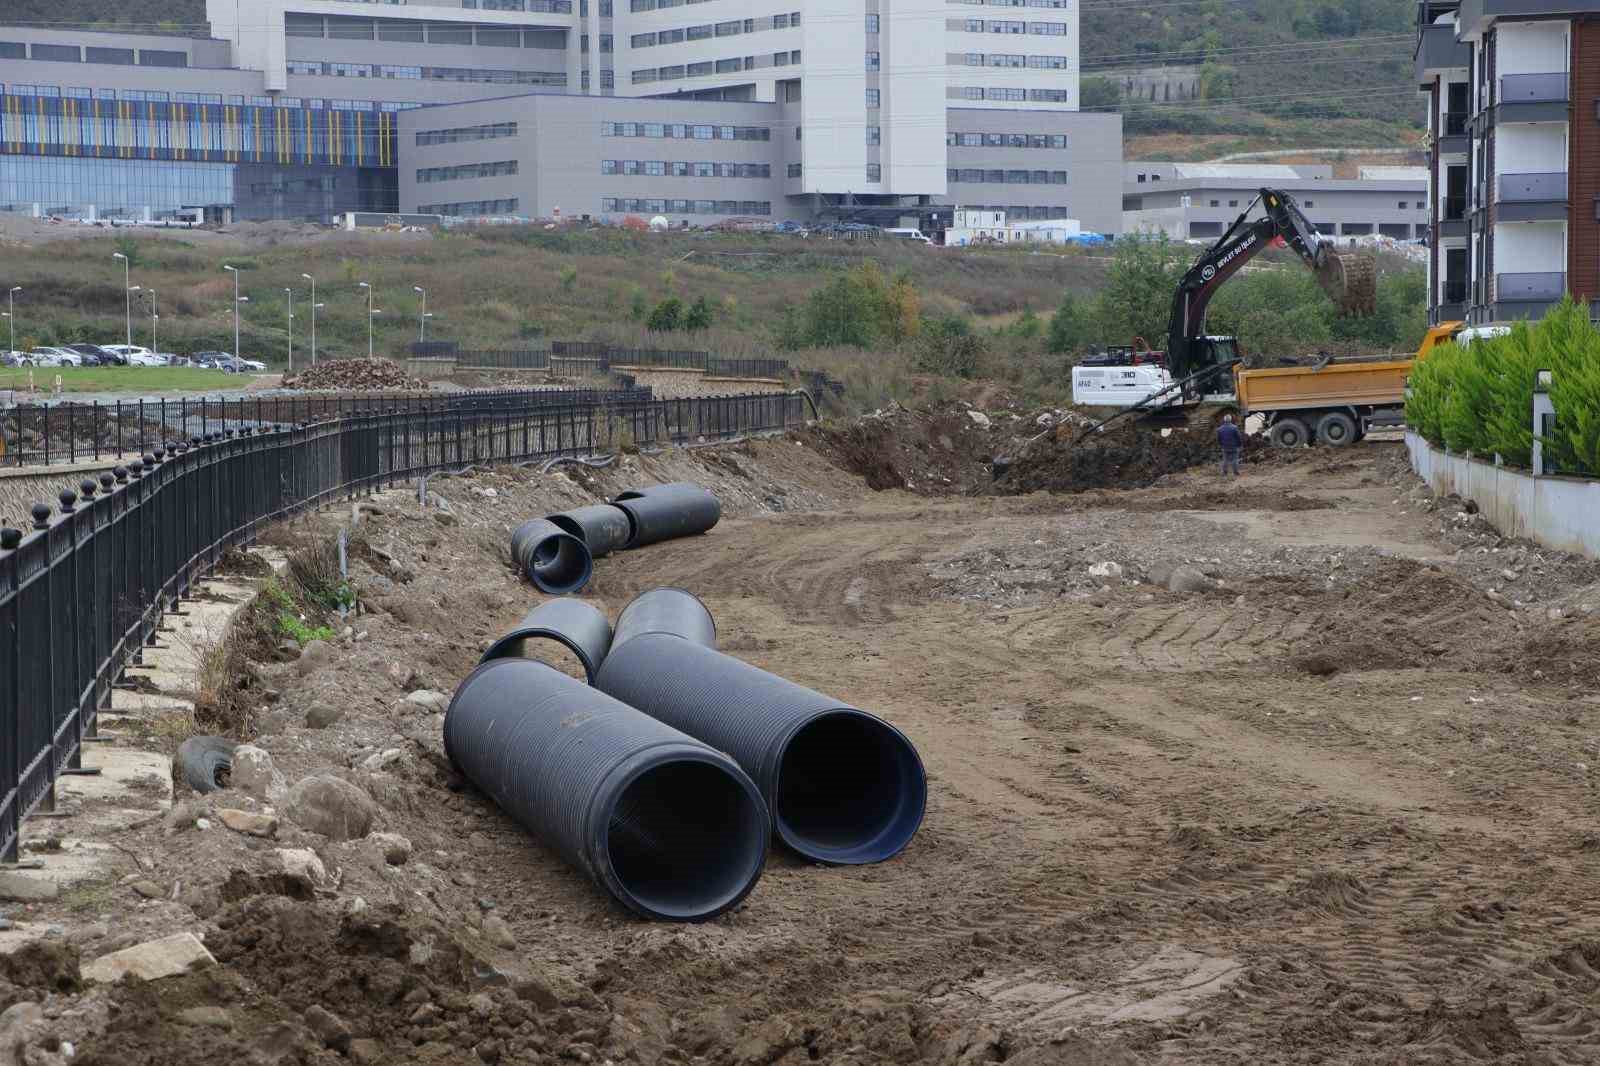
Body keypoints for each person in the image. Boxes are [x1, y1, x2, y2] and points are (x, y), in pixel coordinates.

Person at [1217, 413, 1243, 478]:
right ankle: (1236, 472)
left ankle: (1224, 472)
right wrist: (1239, 445)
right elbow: (1238, 437)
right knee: (1235, 460)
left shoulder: (1220, 429)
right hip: (1234, 447)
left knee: (1225, 460)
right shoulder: (1234, 428)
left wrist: (1221, 445)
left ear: (1224, 420)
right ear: (1230, 420)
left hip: (1225, 447)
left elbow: (1218, 439)